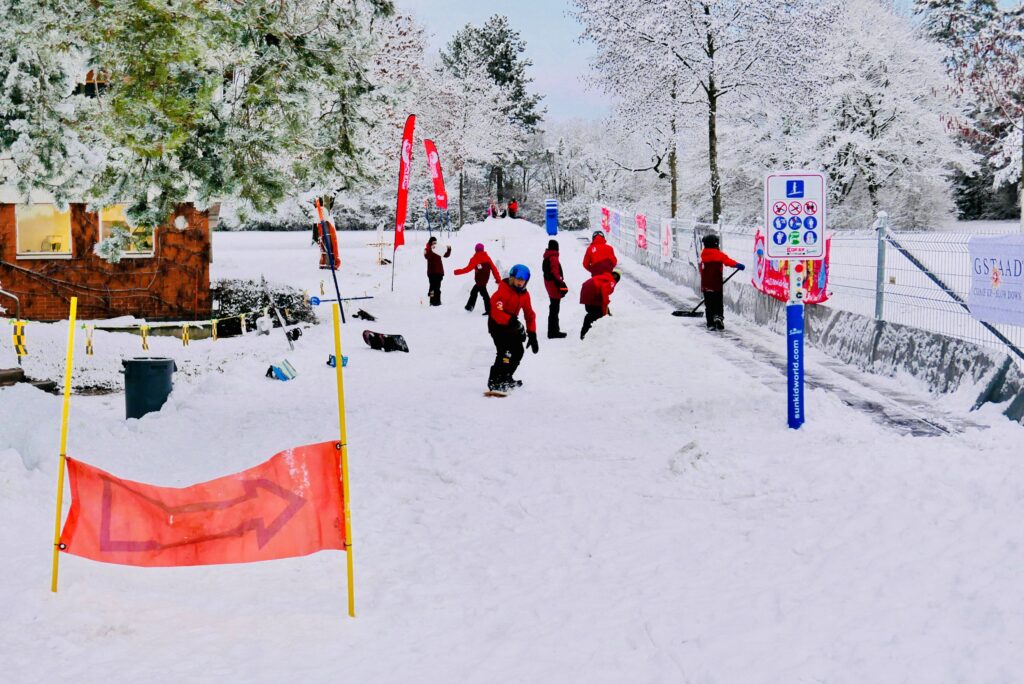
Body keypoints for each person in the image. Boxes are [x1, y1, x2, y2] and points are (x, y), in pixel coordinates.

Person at [487, 264, 539, 392]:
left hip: (510, 325)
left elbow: (529, 314)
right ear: (512, 278)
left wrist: (532, 334)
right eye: (518, 278)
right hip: (496, 324)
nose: (521, 282)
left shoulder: (524, 295)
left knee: (518, 351)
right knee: (505, 352)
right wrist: (511, 320)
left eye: (524, 280)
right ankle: (494, 381)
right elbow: (496, 310)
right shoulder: (503, 291)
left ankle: (506, 377)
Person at [699, 234, 744, 330]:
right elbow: (728, 262)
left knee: (709, 304)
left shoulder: (703, 254)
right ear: (715, 244)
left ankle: (710, 323)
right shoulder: (718, 254)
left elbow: (701, 269)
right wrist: (738, 265)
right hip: (716, 283)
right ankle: (718, 317)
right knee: (718, 302)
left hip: (706, 284)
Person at [454, 242, 500, 314]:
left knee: (484, 294)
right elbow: (494, 269)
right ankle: (470, 306)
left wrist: (457, 272)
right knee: (474, 291)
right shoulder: (488, 258)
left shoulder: (475, 258)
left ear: (475, 250)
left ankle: (489, 310)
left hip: (479, 280)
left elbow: (467, 269)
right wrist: (498, 279)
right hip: (485, 279)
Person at [579, 269, 621, 339]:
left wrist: (606, 305)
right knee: (598, 313)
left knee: (593, 309)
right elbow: (604, 290)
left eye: (616, 276)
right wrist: (606, 302)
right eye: (614, 275)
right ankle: (586, 332)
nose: (614, 277)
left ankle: (589, 329)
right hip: (593, 291)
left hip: (586, 289)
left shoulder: (604, 276)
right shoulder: (612, 281)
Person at [542, 239, 569, 338]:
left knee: (553, 308)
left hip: (549, 285)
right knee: (554, 309)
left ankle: (553, 330)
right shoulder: (553, 257)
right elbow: (555, 273)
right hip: (554, 286)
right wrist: (561, 284)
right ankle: (553, 332)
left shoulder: (547, 256)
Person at [424, 236, 452, 306]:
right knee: (432, 287)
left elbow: (446, 255)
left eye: (435, 242)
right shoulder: (427, 249)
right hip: (431, 272)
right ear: (430, 243)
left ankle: (438, 301)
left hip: (439, 271)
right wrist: (432, 250)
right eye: (433, 242)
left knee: (437, 288)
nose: (434, 244)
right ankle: (431, 301)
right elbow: (427, 257)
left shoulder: (438, 248)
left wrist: (449, 249)